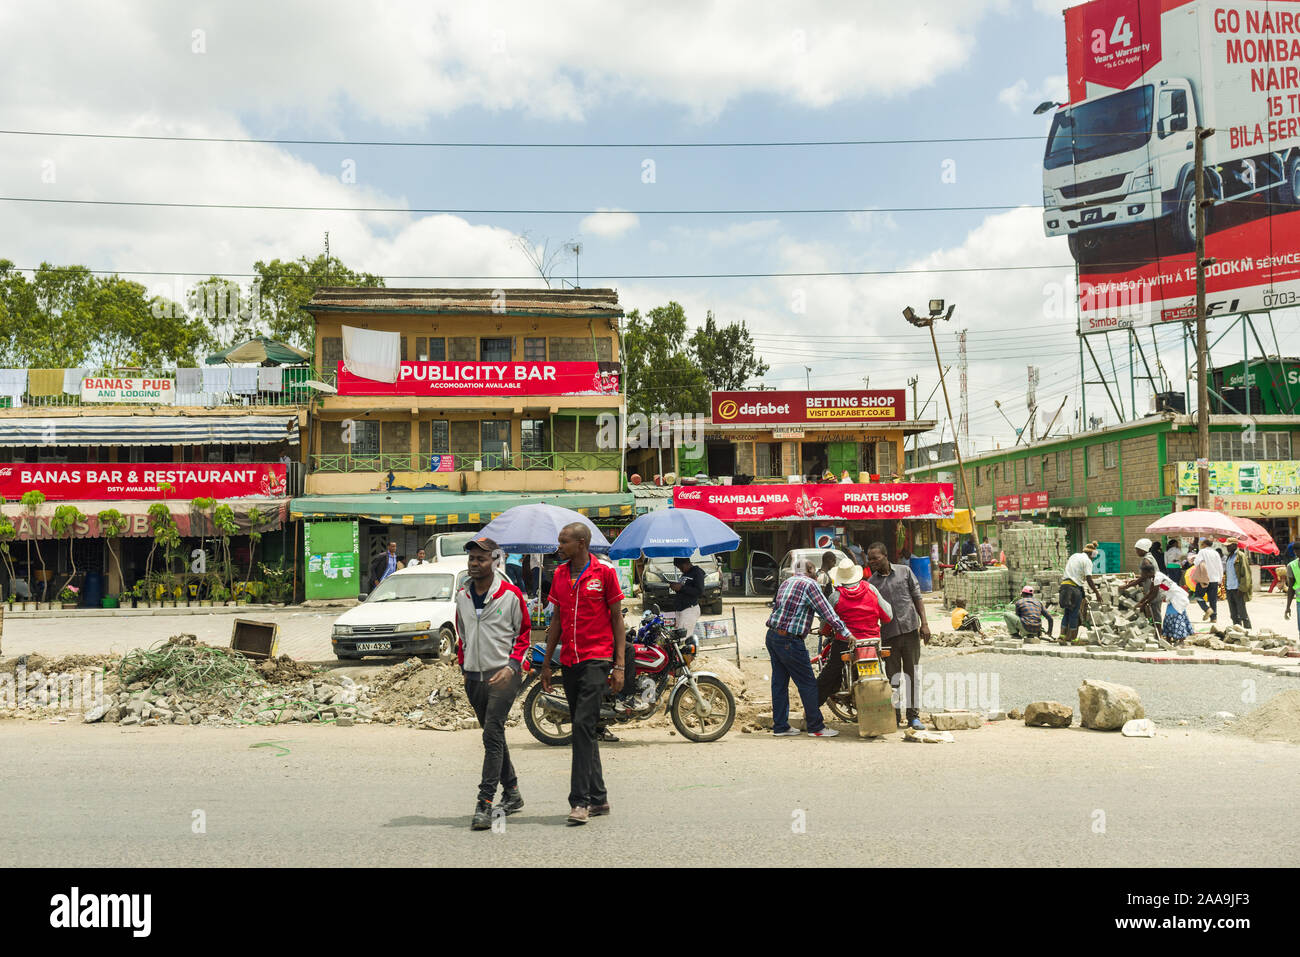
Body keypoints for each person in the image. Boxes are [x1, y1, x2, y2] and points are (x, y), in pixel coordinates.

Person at [540, 522, 627, 826]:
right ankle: (600, 797)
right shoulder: (560, 575)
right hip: (570, 660)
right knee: (585, 730)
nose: (559, 546)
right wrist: (547, 662)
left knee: (580, 726)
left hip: (596, 659)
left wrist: (619, 665)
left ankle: (580, 801)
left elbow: (617, 620)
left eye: (563, 542)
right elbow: (557, 622)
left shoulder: (604, 573)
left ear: (581, 543)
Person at [454, 536, 531, 830]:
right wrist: (464, 666)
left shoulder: (510, 595)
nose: (475, 564)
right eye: (472, 558)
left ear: (494, 561)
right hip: (474, 676)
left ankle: (484, 803)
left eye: (481, 559)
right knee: (493, 734)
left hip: (503, 675)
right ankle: (512, 793)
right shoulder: (462, 595)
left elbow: (523, 634)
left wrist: (513, 666)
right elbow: (462, 634)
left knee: (492, 734)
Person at [765, 560, 855, 738]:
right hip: (790, 640)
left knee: (779, 684)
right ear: (812, 571)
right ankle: (816, 726)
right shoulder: (810, 585)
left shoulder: (787, 582)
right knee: (807, 683)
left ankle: (781, 726)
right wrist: (846, 632)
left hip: (773, 636)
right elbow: (827, 612)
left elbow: (779, 608)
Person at [866, 542, 931, 731]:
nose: (872, 562)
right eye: (870, 559)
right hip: (889, 636)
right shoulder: (871, 584)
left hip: (910, 630)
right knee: (892, 679)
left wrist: (924, 624)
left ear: (885, 556)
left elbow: (917, 597)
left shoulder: (904, 572)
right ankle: (894, 717)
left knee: (912, 676)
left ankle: (913, 717)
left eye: (875, 558)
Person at [815, 558, 893, 707]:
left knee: (828, 676)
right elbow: (888, 616)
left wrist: (823, 630)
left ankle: (810, 711)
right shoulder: (871, 589)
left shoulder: (835, 597)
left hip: (845, 643)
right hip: (873, 644)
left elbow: (826, 625)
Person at [1058, 542, 1102, 646]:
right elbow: (1089, 579)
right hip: (1074, 589)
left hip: (1064, 587)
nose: (1092, 560)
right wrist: (1097, 593)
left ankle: (1062, 637)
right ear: (1091, 555)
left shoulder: (1074, 555)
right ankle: (1074, 640)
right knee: (1074, 614)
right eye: (1093, 558)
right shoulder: (1087, 561)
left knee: (1067, 613)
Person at [1121, 539, 1164, 637]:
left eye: (1137, 550)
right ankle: (1154, 633)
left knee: (1155, 614)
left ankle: (1159, 635)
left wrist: (1127, 586)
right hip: (1153, 589)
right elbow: (1145, 575)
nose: (1136, 552)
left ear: (1143, 549)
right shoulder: (1149, 557)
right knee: (1152, 613)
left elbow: (1146, 576)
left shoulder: (1146, 560)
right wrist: (1135, 580)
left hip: (1155, 591)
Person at [667, 555, 705, 636]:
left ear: (687, 563)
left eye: (681, 567)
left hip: (689, 609)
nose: (680, 569)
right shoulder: (685, 574)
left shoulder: (697, 572)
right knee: (678, 636)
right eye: (678, 568)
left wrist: (681, 588)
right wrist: (675, 586)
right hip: (680, 609)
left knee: (684, 637)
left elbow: (700, 591)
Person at [1153, 569, 1193, 644]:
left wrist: (1144, 602)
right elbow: (1164, 588)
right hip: (1173, 598)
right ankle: (1168, 639)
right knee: (1169, 618)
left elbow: (1154, 593)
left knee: (1175, 617)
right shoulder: (1158, 575)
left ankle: (1181, 641)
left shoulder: (1157, 578)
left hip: (1177, 599)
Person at [1192, 537, 1224, 622]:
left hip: (1204, 579)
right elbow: (1220, 566)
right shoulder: (1216, 553)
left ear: (1205, 544)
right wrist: (1220, 579)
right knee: (1213, 599)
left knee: (1198, 596)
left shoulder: (1202, 552)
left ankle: (1207, 609)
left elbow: (1196, 563)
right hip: (1215, 579)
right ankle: (1214, 618)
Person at [1223, 538, 1253, 630]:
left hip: (1238, 588)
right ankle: (1237, 631)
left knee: (1242, 613)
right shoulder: (1229, 556)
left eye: (1229, 545)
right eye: (1226, 546)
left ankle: (1248, 630)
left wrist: (1242, 588)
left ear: (1235, 545)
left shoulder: (1240, 556)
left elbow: (1246, 574)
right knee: (1233, 614)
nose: (1227, 547)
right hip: (1229, 588)